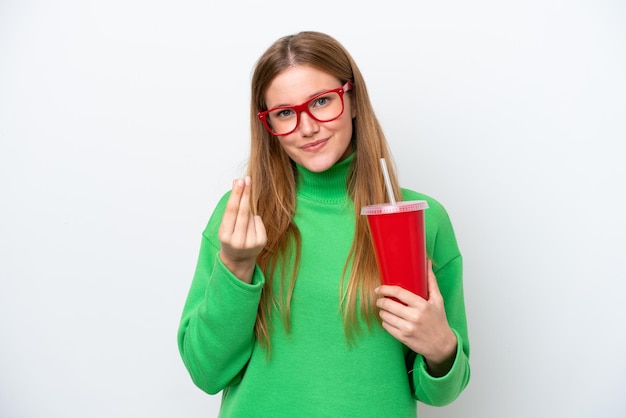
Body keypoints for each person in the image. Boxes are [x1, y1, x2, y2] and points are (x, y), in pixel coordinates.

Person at [177, 31, 470, 417]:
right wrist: (235, 266)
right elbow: (206, 372)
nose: (307, 127)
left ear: (351, 100)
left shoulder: (424, 219)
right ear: (268, 124)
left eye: (321, 102)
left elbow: (442, 392)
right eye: (284, 113)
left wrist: (441, 348)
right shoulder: (242, 218)